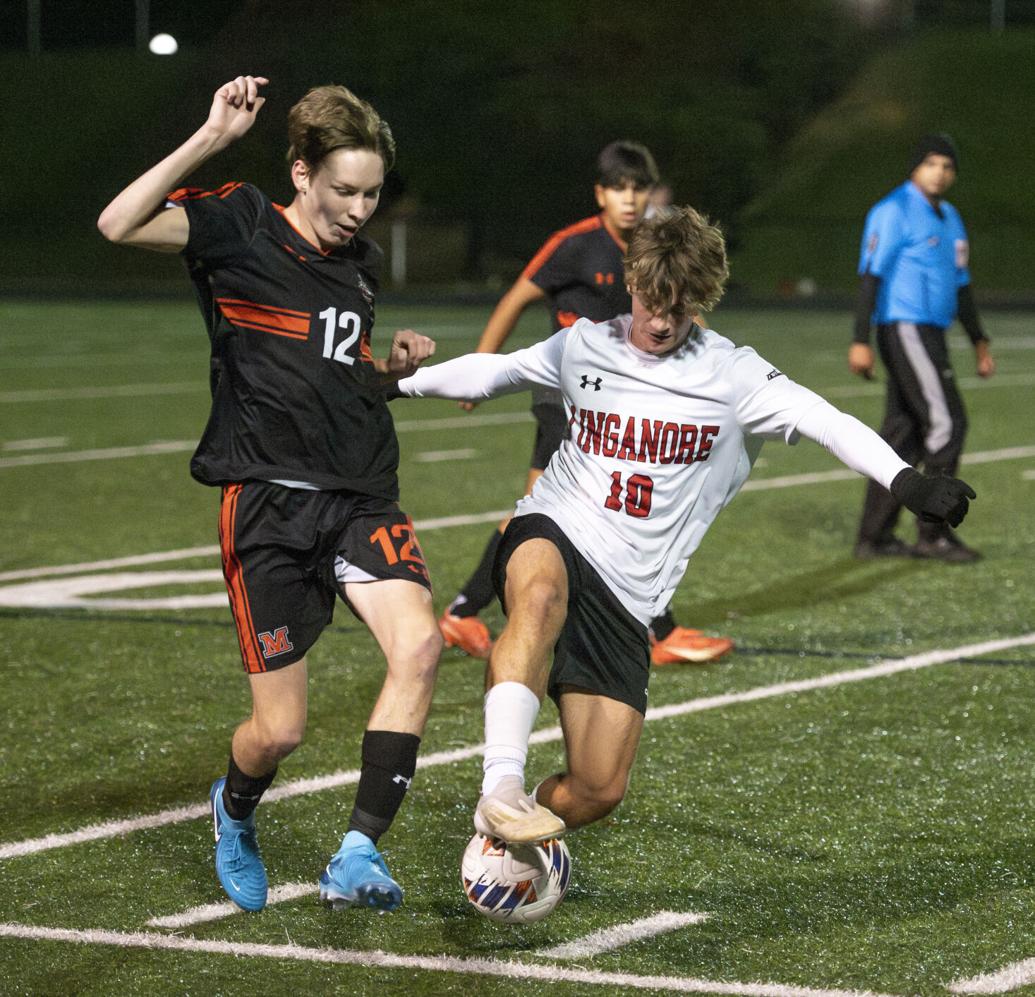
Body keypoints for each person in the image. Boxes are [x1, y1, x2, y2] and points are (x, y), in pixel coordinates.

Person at [394, 206, 976, 843]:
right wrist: (396, 385)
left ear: (703, 300)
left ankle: (503, 830)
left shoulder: (734, 375)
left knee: (597, 788)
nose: (663, 321)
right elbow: (498, 370)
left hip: (631, 590)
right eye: (652, 302)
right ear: (632, 282)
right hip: (557, 524)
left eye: (681, 306)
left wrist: (908, 481)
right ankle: (500, 783)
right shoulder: (586, 342)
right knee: (537, 595)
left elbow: (827, 421)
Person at [97, 75, 442, 913]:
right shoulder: (243, 224)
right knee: (278, 731)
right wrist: (211, 135)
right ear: (300, 173)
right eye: (344, 191)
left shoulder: (355, 267)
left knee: (422, 647)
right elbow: (118, 223)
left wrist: (388, 375)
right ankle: (235, 807)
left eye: (371, 192)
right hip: (269, 508)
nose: (360, 211)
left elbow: (332, 371)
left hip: (361, 494)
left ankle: (358, 851)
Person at [438, 141, 733, 667]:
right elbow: (515, 298)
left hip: (618, 405)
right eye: (618, 188)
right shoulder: (573, 245)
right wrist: (479, 371)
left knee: (582, 510)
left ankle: (466, 610)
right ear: (600, 194)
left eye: (638, 188)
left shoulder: (649, 248)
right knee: (558, 512)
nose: (629, 198)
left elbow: (678, 309)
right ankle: (654, 629)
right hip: (564, 401)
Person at [850, 133, 995, 562]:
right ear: (916, 167)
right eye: (932, 163)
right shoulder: (893, 210)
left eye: (947, 166)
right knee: (947, 422)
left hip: (932, 332)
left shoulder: (951, 218)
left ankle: (873, 537)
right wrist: (860, 339)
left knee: (903, 435)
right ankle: (933, 533)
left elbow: (962, 288)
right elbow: (871, 278)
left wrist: (979, 340)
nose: (940, 172)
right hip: (904, 328)